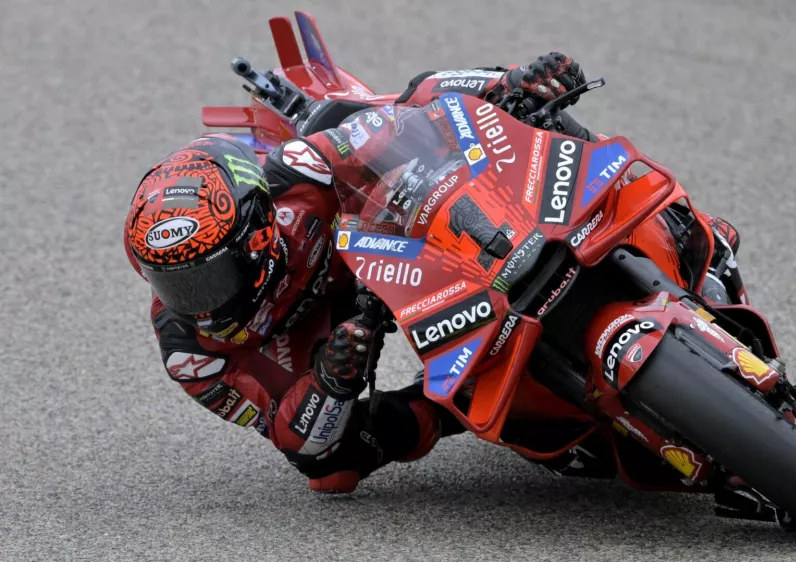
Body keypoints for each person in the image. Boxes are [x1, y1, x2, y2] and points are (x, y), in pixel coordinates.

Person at [124, 53, 744, 493]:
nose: (195, 302)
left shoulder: (293, 173)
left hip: (372, 252)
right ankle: (457, 405)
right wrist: (331, 383)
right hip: (325, 332)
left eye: (207, 277)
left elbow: (406, 109)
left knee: (489, 111)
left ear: (257, 233)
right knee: (334, 468)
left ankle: (671, 225)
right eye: (171, 283)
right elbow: (299, 440)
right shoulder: (192, 353)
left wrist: (512, 84)